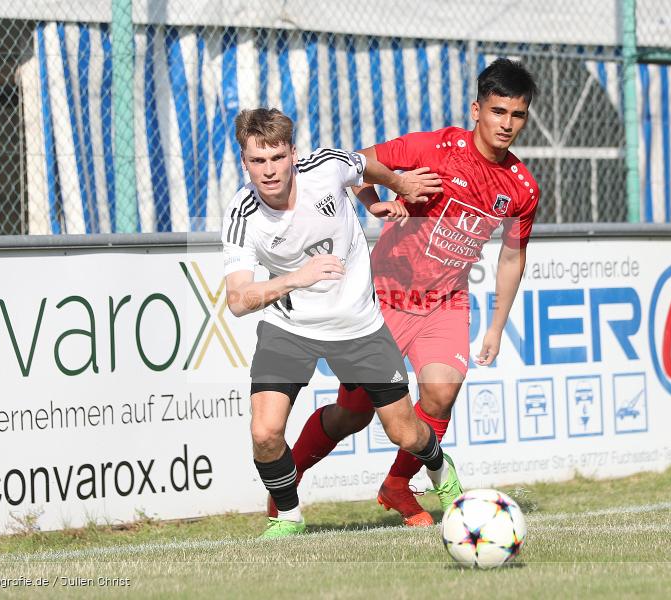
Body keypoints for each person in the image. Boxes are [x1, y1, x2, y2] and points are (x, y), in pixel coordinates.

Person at [272, 58, 540, 526]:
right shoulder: (434, 148)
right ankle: (289, 477)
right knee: (351, 414)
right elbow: (350, 166)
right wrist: (380, 201)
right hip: (387, 297)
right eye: (499, 112)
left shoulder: (521, 188)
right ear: (477, 109)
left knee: (440, 394)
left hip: (446, 302)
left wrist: (497, 325)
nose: (507, 125)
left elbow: (512, 256)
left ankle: (398, 485)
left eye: (517, 115)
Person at [222, 107, 463, 538]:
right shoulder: (243, 215)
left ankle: (443, 473)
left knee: (404, 432)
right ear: (245, 163)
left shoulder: (327, 166)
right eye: (258, 161)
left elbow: (364, 166)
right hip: (290, 329)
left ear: (293, 153)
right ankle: (289, 519)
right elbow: (238, 300)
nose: (269, 170)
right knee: (265, 432)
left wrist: (399, 184)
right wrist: (297, 278)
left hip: (358, 326)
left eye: (277, 157)